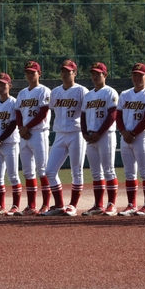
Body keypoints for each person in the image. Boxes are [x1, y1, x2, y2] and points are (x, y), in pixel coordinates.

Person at [43, 60, 89, 216]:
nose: (65, 73)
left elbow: (86, 114)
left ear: (74, 73)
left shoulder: (82, 91)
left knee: (76, 170)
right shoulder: (55, 92)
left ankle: (73, 205)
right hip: (60, 134)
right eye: (63, 70)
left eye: (68, 71)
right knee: (49, 171)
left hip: (76, 133)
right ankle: (59, 205)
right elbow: (48, 110)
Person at [116, 63, 145, 216]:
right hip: (126, 137)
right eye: (135, 75)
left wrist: (132, 133)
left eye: (141, 75)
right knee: (129, 173)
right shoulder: (125, 94)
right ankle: (131, 204)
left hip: (142, 136)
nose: (137, 78)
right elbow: (118, 116)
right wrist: (124, 132)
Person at [81, 62, 119, 215]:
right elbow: (83, 116)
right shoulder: (88, 95)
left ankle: (111, 204)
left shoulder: (110, 92)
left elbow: (112, 116)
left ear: (105, 75)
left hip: (105, 135)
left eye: (98, 73)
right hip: (90, 136)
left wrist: (100, 133)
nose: (95, 76)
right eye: (93, 73)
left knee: (109, 170)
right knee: (95, 172)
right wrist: (84, 133)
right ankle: (98, 205)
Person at [15, 61, 52, 215]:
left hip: (38, 132)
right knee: (28, 172)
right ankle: (31, 206)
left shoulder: (44, 91)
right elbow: (17, 113)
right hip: (24, 134)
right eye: (28, 72)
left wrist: (26, 127)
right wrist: (21, 128)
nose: (30, 75)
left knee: (42, 170)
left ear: (39, 73)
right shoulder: (22, 93)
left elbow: (43, 113)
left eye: (33, 72)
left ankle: (46, 205)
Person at [0, 72, 22, 215]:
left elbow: (13, 124)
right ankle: (1, 206)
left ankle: (15, 206)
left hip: (10, 142)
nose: (1, 87)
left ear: (10, 86)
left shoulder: (14, 103)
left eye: (3, 84)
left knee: (13, 175)